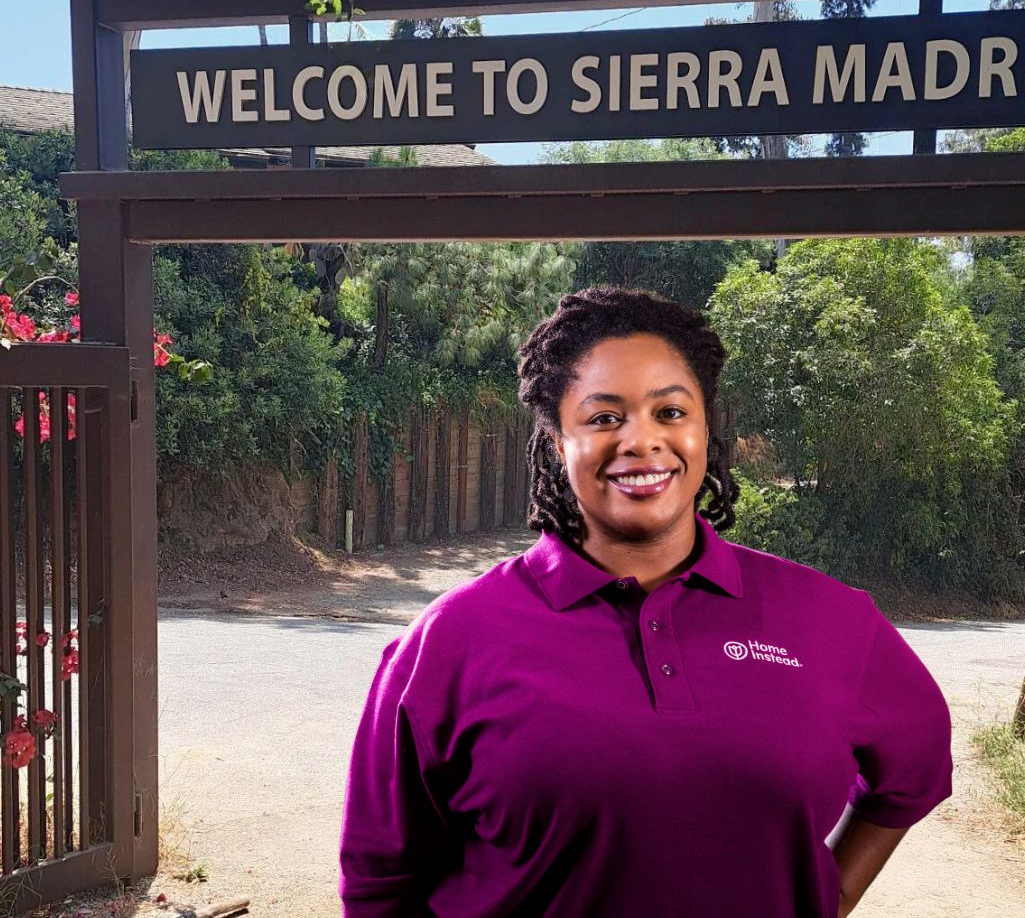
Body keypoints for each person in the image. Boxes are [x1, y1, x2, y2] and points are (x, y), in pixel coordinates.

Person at [339, 286, 952, 918]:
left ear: (704, 428)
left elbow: (916, 765)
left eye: (670, 412)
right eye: (604, 418)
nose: (641, 441)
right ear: (556, 442)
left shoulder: (829, 619)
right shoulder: (448, 643)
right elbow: (381, 878)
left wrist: (828, 894)